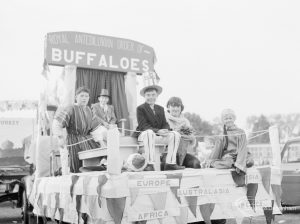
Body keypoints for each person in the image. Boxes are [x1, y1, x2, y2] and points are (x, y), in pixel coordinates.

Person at [52, 86, 101, 173]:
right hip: (74, 140)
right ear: (76, 97)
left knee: (96, 160)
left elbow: (95, 129)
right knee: (76, 165)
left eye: (86, 96)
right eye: (81, 96)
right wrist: (60, 138)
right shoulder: (70, 108)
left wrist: (101, 141)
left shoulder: (89, 110)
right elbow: (57, 123)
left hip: (87, 140)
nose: (84, 98)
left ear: (89, 98)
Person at [135, 85, 184, 171]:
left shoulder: (160, 109)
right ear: (144, 96)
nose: (151, 97)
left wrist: (166, 130)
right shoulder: (140, 108)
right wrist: (158, 131)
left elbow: (164, 123)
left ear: (157, 95)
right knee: (149, 132)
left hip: (157, 136)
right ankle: (150, 164)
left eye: (153, 95)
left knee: (175, 134)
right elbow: (143, 126)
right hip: (144, 136)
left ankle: (170, 164)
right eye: (148, 95)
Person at [207, 109, 254, 173]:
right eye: (226, 119)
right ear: (223, 121)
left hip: (241, 155)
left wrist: (239, 164)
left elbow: (243, 148)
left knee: (250, 162)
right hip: (229, 156)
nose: (228, 120)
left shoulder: (241, 132)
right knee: (228, 163)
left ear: (234, 119)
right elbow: (217, 149)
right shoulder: (222, 135)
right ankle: (227, 164)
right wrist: (210, 160)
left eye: (230, 118)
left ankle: (236, 164)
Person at [162, 97, 201, 169]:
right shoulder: (163, 119)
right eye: (173, 106)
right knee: (167, 166)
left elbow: (191, 140)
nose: (176, 109)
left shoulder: (185, 121)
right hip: (167, 153)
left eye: (178, 106)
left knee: (196, 163)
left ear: (181, 108)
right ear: (168, 107)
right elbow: (160, 136)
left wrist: (192, 138)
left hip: (182, 154)